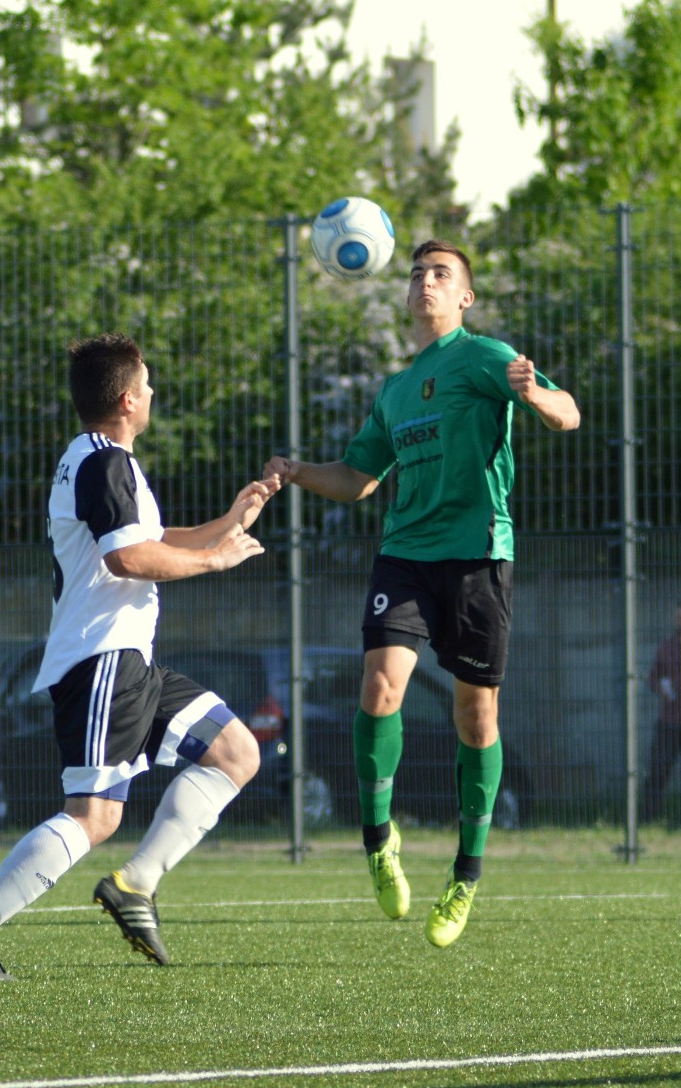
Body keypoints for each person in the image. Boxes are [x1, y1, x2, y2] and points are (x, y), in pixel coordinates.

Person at [0, 331, 278, 980]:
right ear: (126, 399)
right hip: (102, 663)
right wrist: (215, 558)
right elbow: (128, 558)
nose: (152, 394)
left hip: (130, 663)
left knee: (237, 750)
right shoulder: (103, 463)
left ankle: (135, 883)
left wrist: (230, 522)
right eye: (147, 385)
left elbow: (149, 538)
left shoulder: (101, 459)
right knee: (93, 815)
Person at [263, 240, 580, 948]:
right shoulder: (397, 389)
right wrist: (296, 471)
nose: (424, 283)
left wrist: (533, 393)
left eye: (440, 274)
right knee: (379, 688)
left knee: (476, 716)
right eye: (415, 274)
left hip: (476, 555)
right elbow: (359, 476)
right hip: (405, 552)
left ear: (464, 297)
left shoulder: (482, 354)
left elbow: (569, 415)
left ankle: (465, 873)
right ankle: (379, 839)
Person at [641, 598, 681, 826]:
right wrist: (660, 688)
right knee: (657, 771)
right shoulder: (665, 648)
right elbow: (652, 679)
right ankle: (648, 821)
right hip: (669, 720)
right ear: (675, 619)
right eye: (680, 618)